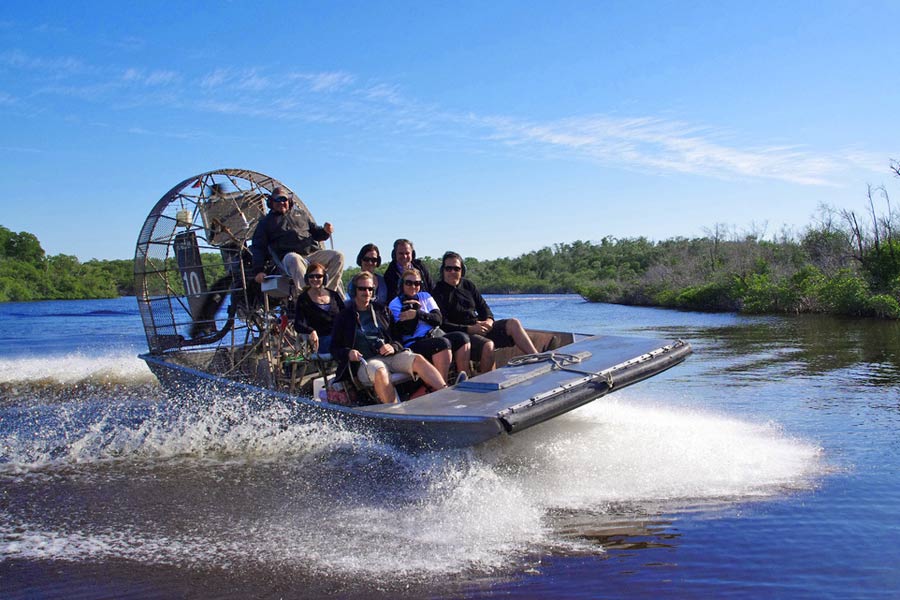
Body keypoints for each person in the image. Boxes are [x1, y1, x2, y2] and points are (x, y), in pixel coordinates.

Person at [330, 271, 447, 404]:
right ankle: (396, 413)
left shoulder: (382, 310)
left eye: (370, 289)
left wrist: (393, 346)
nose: (366, 292)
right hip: (366, 362)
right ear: (354, 291)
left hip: (391, 356)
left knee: (417, 359)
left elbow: (397, 337)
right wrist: (348, 353)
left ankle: (445, 393)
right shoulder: (344, 317)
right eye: (362, 288)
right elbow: (334, 348)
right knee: (380, 371)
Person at [432, 251, 538, 372]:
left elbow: (484, 308)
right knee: (488, 345)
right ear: (443, 271)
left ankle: (539, 359)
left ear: (462, 271)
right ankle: (484, 383)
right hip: (460, 336)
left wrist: (489, 321)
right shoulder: (437, 292)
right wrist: (470, 329)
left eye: (456, 269)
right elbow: (443, 324)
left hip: (479, 328)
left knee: (513, 323)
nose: (452, 272)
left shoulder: (468, 286)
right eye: (448, 269)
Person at [251, 186, 345, 297]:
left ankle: (326, 293)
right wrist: (259, 271)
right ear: (271, 202)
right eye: (277, 200)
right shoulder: (265, 223)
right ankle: (309, 297)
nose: (281, 203)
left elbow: (316, 232)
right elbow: (258, 247)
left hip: (312, 254)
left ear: (289, 201)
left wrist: (325, 231)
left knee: (338, 256)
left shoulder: (301, 215)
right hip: (288, 258)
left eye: (284, 199)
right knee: (294, 259)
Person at [389, 268, 471, 382]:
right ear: (402, 284)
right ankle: (442, 386)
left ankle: (464, 380)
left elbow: (438, 319)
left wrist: (418, 314)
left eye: (417, 283)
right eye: (409, 283)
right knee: (442, 344)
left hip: (433, 335)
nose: (413, 286)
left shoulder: (425, 296)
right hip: (414, 342)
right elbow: (406, 331)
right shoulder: (395, 304)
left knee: (462, 338)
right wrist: (413, 314)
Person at [293, 262, 343, 354]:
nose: (315, 279)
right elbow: (299, 323)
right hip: (321, 339)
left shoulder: (334, 295)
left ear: (324, 278)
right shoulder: (303, 299)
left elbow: (345, 315)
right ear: (307, 278)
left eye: (318, 276)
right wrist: (311, 331)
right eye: (311, 276)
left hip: (340, 336)